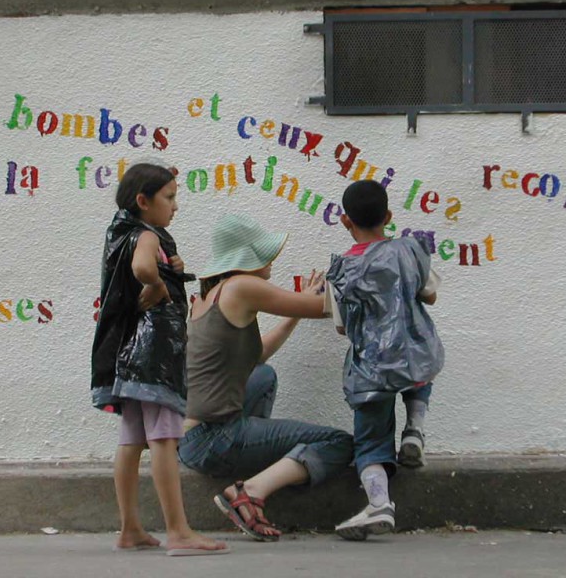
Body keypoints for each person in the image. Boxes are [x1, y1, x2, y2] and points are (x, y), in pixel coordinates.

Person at [178, 213, 354, 542]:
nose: (272, 259)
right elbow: (322, 308)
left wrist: (297, 312)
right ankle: (250, 491)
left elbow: (254, 357)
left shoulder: (210, 296)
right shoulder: (243, 287)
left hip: (191, 437)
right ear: (247, 257)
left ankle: (255, 460)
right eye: (265, 252)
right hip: (215, 440)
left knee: (264, 375)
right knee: (339, 442)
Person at [91, 163, 228, 556]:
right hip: (154, 358)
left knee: (131, 440)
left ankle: (130, 528)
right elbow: (142, 267)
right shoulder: (147, 235)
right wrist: (156, 284)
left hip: (128, 358)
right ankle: (179, 532)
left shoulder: (121, 233)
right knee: (166, 438)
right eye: (169, 197)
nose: (175, 206)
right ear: (142, 201)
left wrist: (171, 273)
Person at [327, 180, 444, 541]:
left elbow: (342, 328)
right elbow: (431, 294)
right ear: (389, 217)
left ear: (346, 222)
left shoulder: (341, 270)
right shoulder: (410, 249)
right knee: (420, 369)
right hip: (413, 354)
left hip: (371, 369)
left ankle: (379, 502)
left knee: (370, 445)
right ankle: (414, 428)